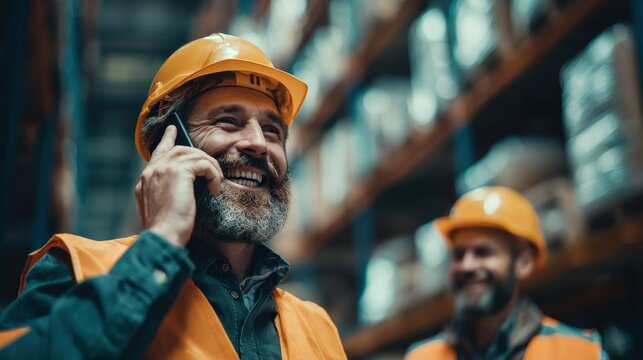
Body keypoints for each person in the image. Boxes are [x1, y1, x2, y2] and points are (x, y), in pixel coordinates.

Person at [0, 33, 346, 359]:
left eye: (272, 131)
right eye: (228, 122)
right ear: (167, 145)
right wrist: (161, 242)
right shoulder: (77, 269)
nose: (258, 142)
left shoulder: (317, 328)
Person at [405, 186, 608, 360]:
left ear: (523, 262)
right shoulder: (421, 357)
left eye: (483, 252)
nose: (466, 265)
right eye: (459, 254)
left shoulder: (580, 353)